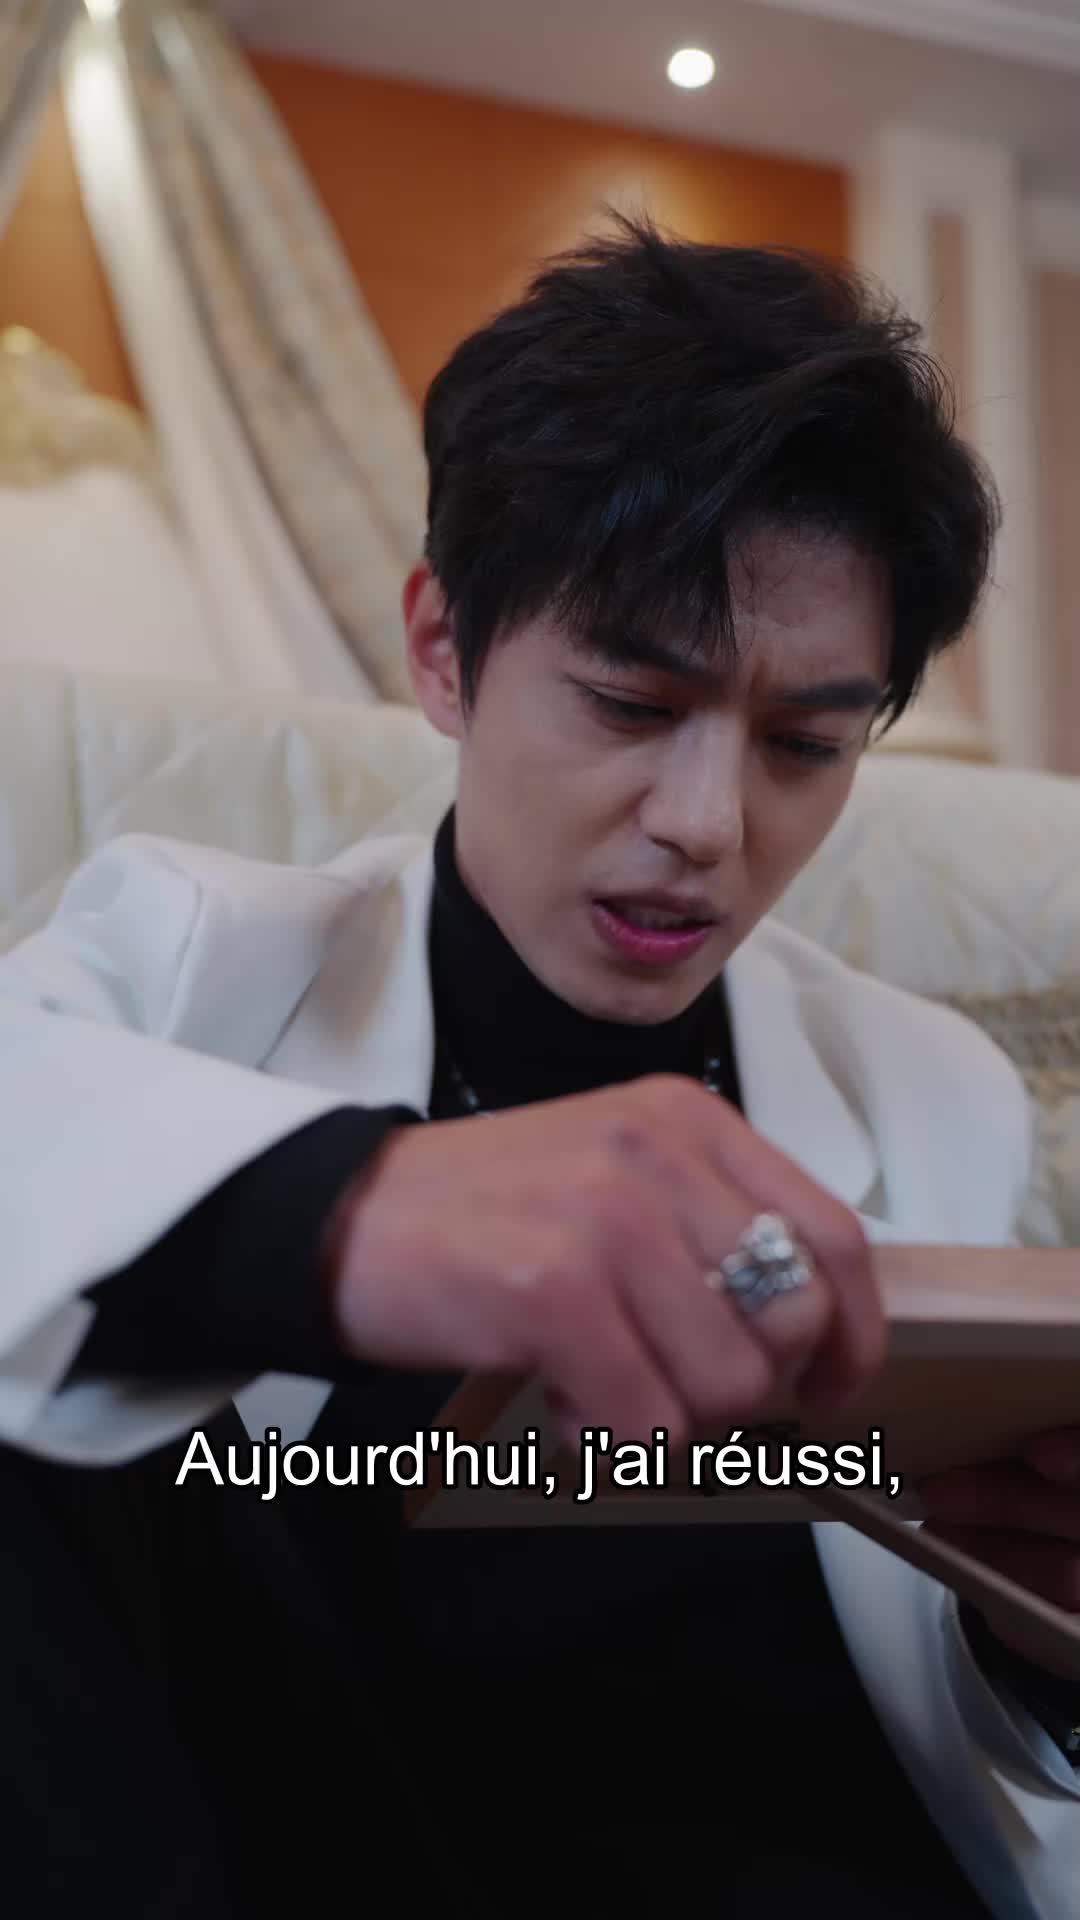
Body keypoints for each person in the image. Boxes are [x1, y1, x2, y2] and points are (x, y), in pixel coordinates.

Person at [2, 211, 1079, 1920]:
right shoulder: (196, 954)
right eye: (631, 705)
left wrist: (1042, 1645)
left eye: (806, 744)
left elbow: (957, 1725)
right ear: (445, 649)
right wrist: (351, 1208)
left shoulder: (923, 1083)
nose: (709, 826)